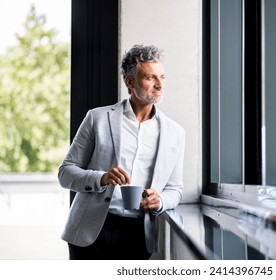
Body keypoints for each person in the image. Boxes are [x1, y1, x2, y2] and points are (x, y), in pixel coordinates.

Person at [58, 44, 185, 260]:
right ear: (129, 81)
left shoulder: (175, 132)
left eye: (162, 77)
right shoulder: (97, 118)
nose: (159, 85)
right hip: (90, 232)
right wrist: (102, 178)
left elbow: (175, 189)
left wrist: (160, 201)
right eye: (150, 78)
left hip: (140, 234)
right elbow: (65, 173)